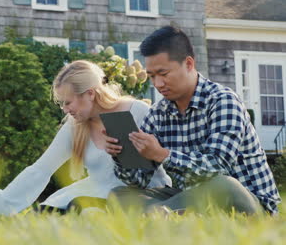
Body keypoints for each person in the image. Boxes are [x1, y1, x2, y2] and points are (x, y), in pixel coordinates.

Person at [105, 26, 282, 215]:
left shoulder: (223, 101)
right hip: (191, 197)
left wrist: (163, 155)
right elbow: (138, 181)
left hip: (246, 201)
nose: (157, 84)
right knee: (120, 194)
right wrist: (122, 155)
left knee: (223, 184)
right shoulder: (158, 113)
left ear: (189, 64)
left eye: (163, 74)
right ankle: (168, 215)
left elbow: (217, 167)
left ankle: (158, 215)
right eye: (152, 76)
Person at [0, 60, 172, 215]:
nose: (66, 110)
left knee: (82, 209)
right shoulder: (75, 126)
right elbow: (40, 170)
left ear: (90, 94)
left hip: (143, 194)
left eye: (68, 102)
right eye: (62, 104)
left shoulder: (137, 111)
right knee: (44, 212)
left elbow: (163, 160)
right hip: (94, 190)